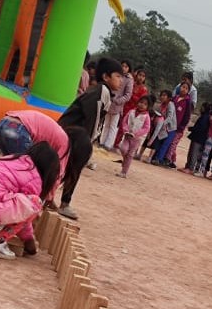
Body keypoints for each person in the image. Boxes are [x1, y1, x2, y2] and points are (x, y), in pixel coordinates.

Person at [55, 56, 123, 219]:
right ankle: (63, 203)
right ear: (106, 77)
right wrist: (87, 143)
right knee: (69, 168)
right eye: (117, 76)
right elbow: (92, 118)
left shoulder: (103, 91)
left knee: (67, 168)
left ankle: (56, 200)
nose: (120, 81)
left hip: (75, 133)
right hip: (73, 133)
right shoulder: (101, 92)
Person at [0, 109, 71, 187]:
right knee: (26, 170)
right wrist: (49, 197)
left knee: (7, 165)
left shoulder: (58, 135)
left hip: (2, 123)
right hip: (18, 128)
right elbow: (57, 174)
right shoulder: (65, 144)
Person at [99, 59, 133, 151]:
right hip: (108, 103)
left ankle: (108, 144)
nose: (124, 68)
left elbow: (128, 95)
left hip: (117, 106)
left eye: (126, 66)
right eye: (122, 66)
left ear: (129, 69)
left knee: (113, 126)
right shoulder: (115, 75)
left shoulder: (129, 79)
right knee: (106, 124)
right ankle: (102, 142)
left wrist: (118, 101)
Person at [115, 95, 152, 178]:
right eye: (141, 102)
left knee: (130, 154)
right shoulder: (131, 112)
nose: (142, 105)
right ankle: (125, 161)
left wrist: (136, 134)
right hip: (127, 136)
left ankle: (124, 172)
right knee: (123, 148)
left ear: (148, 107)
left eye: (145, 104)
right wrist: (126, 130)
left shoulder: (146, 116)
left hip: (137, 139)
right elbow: (124, 121)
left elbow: (146, 128)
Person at [184, 101, 212, 174]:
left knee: (193, 153)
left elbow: (200, 128)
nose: (201, 108)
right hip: (199, 137)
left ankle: (190, 168)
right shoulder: (206, 116)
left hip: (198, 138)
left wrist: (191, 129)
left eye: (202, 107)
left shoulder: (205, 117)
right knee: (193, 153)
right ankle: (189, 167)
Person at [146, 89, 176, 165]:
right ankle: (154, 157)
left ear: (169, 97)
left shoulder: (170, 104)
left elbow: (170, 117)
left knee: (165, 144)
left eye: (164, 95)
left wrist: (162, 124)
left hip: (170, 128)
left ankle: (158, 159)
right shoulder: (161, 105)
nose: (162, 97)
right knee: (159, 141)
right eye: (161, 95)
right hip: (162, 127)